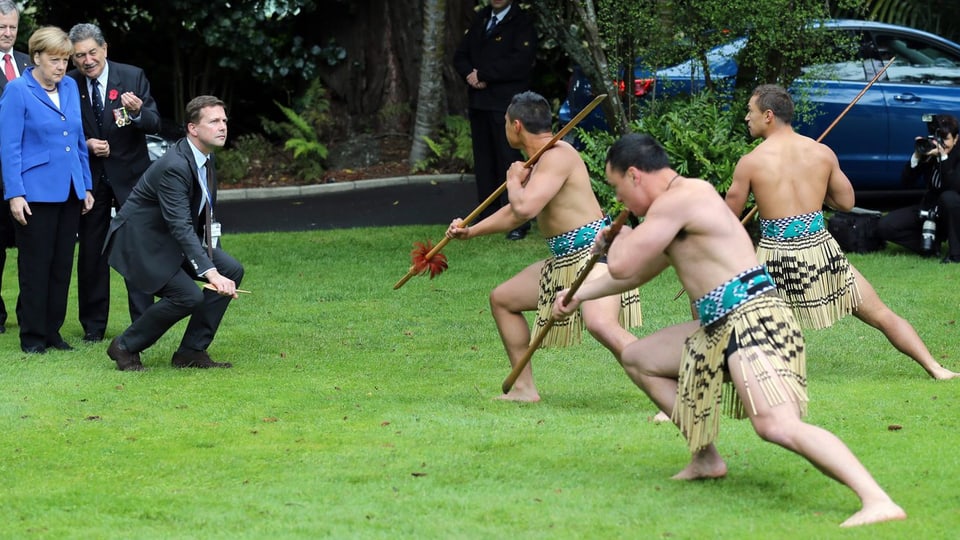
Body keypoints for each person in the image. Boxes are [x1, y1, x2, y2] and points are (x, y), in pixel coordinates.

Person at [554, 133, 906, 528]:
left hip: (755, 320)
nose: (620, 202)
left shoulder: (681, 199)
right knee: (639, 358)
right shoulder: (670, 211)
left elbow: (620, 265)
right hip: (720, 324)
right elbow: (635, 272)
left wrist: (613, 239)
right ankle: (705, 457)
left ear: (634, 175)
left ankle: (876, 499)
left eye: (618, 189)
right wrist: (576, 293)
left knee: (777, 426)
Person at [726, 84, 958, 380]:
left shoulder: (750, 163)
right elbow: (846, 202)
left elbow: (727, 220)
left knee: (731, 319)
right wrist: (815, 192)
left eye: (751, 111)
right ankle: (936, 368)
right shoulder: (821, 153)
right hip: (820, 251)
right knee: (881, 314)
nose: (747, 117)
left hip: (776, 256)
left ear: (768, 115)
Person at [445, 91, 641, 402]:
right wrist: (470, 231)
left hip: (595, 257)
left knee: (601, 325)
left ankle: (673, 386)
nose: (506, 128)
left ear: (517, 125)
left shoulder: (558, 156)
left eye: (506, 123)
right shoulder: (538, 162)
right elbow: (513, 214)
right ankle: (524, 388)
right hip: (564, 260)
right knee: (502, 299)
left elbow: (524, 209)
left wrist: (512, 181)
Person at [103, 95, 243, 371]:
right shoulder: (175, 166)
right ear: (193, 128)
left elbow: (198, 214)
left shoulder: (205, 157)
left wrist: (212, 262)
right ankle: (124, 346)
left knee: (232, 269)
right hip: (141, 241)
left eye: (224, 120)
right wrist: (209, 272)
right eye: (214, 121)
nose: (222, 127)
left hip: (168, 238)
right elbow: (179, 224)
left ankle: (191, 351)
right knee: (188, 296)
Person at [0, 26, 94, 353]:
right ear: (36, 56)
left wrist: (86, 186)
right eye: (54, 59)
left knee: (61, 265)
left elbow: (78, 140)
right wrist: (15, 193)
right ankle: (33, 336)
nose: (61, 67)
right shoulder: (17, 90)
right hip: (34, 192)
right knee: (35, 266)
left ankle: (53, 332)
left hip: (69, 190)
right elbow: (9, 147)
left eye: (65, 60)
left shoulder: (69, 86)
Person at [67, 23, 161, 343]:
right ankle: (93, 326)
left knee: (136, 248)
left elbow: (154, 122)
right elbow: (63, 129)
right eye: (79, 55)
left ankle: (144, 320)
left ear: (105, 49)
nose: (87, 60)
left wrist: (136, 113)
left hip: (131, 178)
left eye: (93, 52)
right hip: (91, 179)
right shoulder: (70, 83)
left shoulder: (132, 76)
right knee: (92, 251)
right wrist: (87, 144)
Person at [453, 0, 536, 241]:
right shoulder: (481, 18)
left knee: (509, 161)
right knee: (484, 161)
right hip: (479, 102)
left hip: (506, 105)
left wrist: (484, 74)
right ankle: (486, 216)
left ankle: (518, 220)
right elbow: (460, 55)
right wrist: (470, 75)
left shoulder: (521, 21)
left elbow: (521, 61)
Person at [876, 114, 960, 262]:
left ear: (956, 139)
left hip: (952, 213)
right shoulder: (931, 152)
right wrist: (917, 155)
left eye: (945, 139)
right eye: (937, 139)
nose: (941, 144)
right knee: (885, 226)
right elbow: (906, 181)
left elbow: (955, 186)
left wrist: (943, 157)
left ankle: (956, 254)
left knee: (949, 197)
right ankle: (928, 245)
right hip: (929, 208)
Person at [0, 0, 29, 335]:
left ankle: (28, 314)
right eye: (2, 27)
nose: (7, 34)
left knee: (30, 249)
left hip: (28, 174)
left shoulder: (26, 62)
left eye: (12, 27)